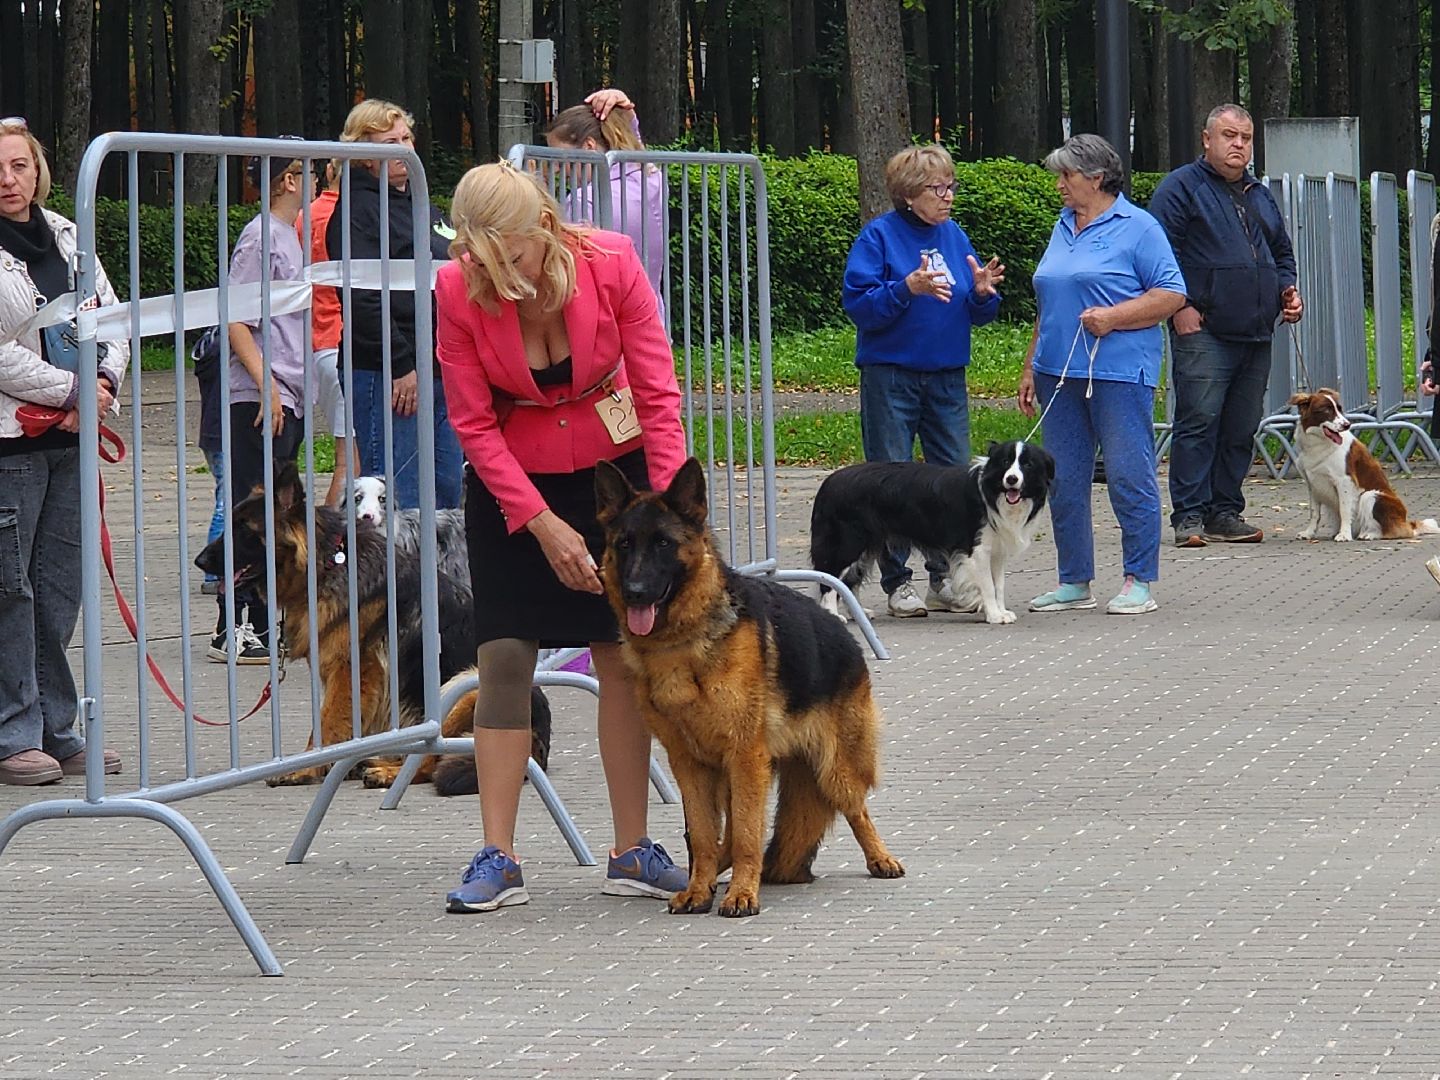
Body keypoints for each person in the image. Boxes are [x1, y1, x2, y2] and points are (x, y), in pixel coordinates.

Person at [435, 161, 688, 913]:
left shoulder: (612, 261)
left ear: (545, 229)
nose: (499, 278)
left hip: (616, 474)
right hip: (515, 481)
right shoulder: (457, 289)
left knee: (621, 653)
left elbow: (658, 392)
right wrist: (540, 525)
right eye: (482, 261)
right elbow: (473, 423)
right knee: (505, 656)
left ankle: (632, 849)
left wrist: (669, 513)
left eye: (511, 259)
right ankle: (498, 854)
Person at [0, 118, 129, 783]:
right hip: (11, 442)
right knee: (8, 591)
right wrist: (72, 391)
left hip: (70, 438)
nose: (8, 177)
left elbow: (113, 316)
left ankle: (56, 725)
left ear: (37, 169)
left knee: (57, 590)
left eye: (19, 164)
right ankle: (11, 733)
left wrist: (104, 379)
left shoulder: (70, 235)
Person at [1017, 133, 1187, 616]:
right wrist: (1031, 365)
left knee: (1128, 474)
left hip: (1117, 371)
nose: (1059, 185)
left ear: (1096, 177)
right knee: (1062, 479)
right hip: (1057, 372)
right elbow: (1049, 301)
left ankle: (1139, 579)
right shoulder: (1063, 225)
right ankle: (1074, 579)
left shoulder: (1139, 227)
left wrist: (1113, 317)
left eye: (1067, 175)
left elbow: (1172, 294)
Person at [841, 144, 1005, 618]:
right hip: (891, 373)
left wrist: (982, 294)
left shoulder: (954, 236)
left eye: (952, 186)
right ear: (909, 194)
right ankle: (898, 584)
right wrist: (904, 288)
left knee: (955, 479)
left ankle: (946, 579)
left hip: (946, 375)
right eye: (938, 188)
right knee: (891, 478)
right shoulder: (879, 238)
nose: (948, 196)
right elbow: (860, 306)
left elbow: (978, 310)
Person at [1148, 103, 1304, 548]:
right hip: (1204, 327)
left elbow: (1281, 253)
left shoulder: (1259, 192)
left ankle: (1225, 511)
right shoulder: (1180, 189)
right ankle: (1189, 515)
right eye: (1230, 136)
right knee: (1199, 420)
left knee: (1241, 426)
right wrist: (1180, 307)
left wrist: (1288, 290)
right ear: (1207, 139)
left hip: (1257, 329)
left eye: (1246, 138)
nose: (1239, 145)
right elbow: (1160, 255)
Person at [328, 99, 463, 511]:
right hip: (387, 370)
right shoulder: (356, 211)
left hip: (440, 366)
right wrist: (401, 364)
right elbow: (362, 297)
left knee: (446, 490)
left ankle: (440, 575)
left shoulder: (424, 205)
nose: (405, 148)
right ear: (365, 154)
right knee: (395, 492)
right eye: (391, 141)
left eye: (407, 138)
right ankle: (389, 575)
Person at [208, 145, 310, 664]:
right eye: (306, 172)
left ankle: (264, 617)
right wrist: (265, 383)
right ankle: (235, 622)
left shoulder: (290, 237)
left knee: (273, 508)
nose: (314, 181)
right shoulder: (260, 235)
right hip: (258, 393)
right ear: (288, 181)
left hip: (286, 391)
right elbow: (236, 317)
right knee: (253, 507)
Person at [545, 88, 666, 312]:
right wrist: (627, 112)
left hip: (605, 323)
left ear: (589, 147)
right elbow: (635, 147)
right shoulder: (649, 179)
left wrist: (536, 187)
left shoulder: (583, 200)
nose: (561, 170)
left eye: (561, 159)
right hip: (652, 320)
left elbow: (560, 265)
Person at [302, 159, 360, 506]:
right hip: (344, 342)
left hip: (315, 341)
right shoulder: (351, 216)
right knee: (348, 464)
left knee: (346, 459)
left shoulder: (305, 216)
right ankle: (331, 544)